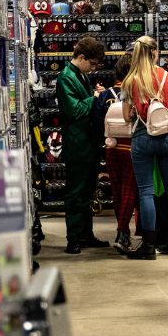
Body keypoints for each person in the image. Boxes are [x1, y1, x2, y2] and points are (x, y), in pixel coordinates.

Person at [121, 36, 168, 260]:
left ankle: (148, 246)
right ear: (156, 53)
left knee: (146, 191)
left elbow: (127, 116)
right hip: (167, 136)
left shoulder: (132, 80)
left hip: (142, 136)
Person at [56, 36, 109, 254]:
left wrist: (93, 93)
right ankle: (74, 238)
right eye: (93, 63)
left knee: (88, 192)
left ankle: (86, 235)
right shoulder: (65, 77)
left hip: (88, 143)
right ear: (81, 57)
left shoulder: (80, 75)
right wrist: (94, 97)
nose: (94, 68)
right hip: (77, 145)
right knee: (76, 193)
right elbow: (75, 110)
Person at [93, 54, 139, 253]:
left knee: (118, 190)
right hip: (132, 146)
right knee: (131, 190)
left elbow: (95, 122)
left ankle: (123, 232)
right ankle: (123, 231)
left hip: (111, 148)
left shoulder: (105, 95)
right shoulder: (137, 92)